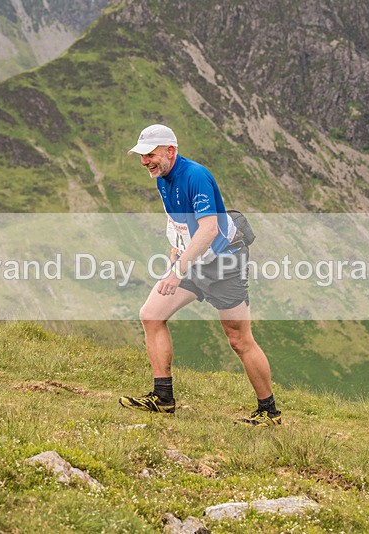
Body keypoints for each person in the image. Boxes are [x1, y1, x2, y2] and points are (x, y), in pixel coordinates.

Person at [118, 124, 281, 427]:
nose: (144, 161)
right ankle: (163, 398)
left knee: (239, 339)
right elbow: (179, 222)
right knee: (151, 315)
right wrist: (175, 253)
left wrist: (178, 271)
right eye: (142, 156)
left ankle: (269, 413)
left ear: (170, 151)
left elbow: (209, 230)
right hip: (192, 260)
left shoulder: (196, 176)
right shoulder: (162, 177)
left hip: (224, 263)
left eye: (150, 154)